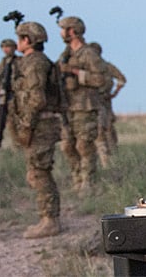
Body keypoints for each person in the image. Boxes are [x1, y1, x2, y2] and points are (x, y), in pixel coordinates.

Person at [9, 22, 63, 238]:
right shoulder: (28, 62)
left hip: (40, 125)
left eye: (20, 38)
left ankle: (50, 220)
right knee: (36, 172)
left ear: (28, 40)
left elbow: (37, 99)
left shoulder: (35, 63)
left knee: (39, 172)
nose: (17, 42)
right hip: (37, 124)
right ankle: (47, 217)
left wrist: (26, 126)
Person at [58, 16, 107, 195]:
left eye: (64, 29)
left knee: (84, 146)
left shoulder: (88, 53)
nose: (61, 33)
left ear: (72, 31)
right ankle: (77, 178)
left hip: (85, 106)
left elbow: (101, 78)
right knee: (67, 146)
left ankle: (88, 183)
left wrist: (76, 72)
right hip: (68, 107)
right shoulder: (66, 54)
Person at [90, 42, 125, 168]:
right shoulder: (89, 68)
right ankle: (104, 161)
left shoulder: (106, 67)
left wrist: (114, 93)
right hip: (92, 103)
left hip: (104, 102)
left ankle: (111, 160)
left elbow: (121, 79)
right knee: (98, 131)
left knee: (107, 130)